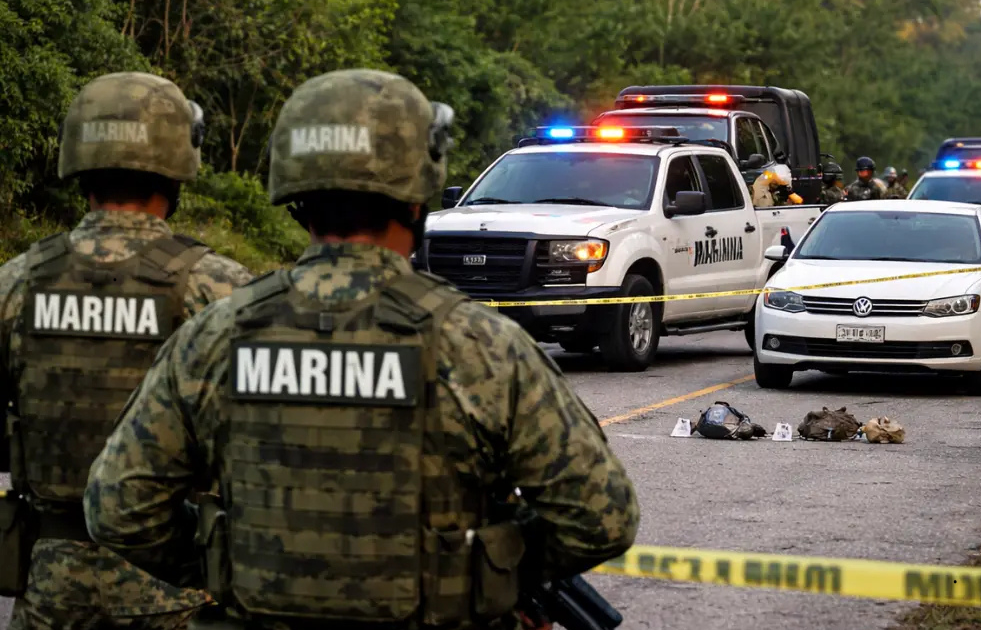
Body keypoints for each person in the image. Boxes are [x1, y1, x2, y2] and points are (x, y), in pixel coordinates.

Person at [83, 69, 640, 630]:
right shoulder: (481, 345)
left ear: (294, 188)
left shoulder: (216, 335)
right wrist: (478, 575)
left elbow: (118, 508)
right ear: (420, 189)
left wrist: (228, 567)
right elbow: (601, 517)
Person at [0, 72, 253, 629]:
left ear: (78, 160)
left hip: (51, 586)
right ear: (177, 162)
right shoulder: (218, 288)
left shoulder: (18, 283)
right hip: (176, 592)